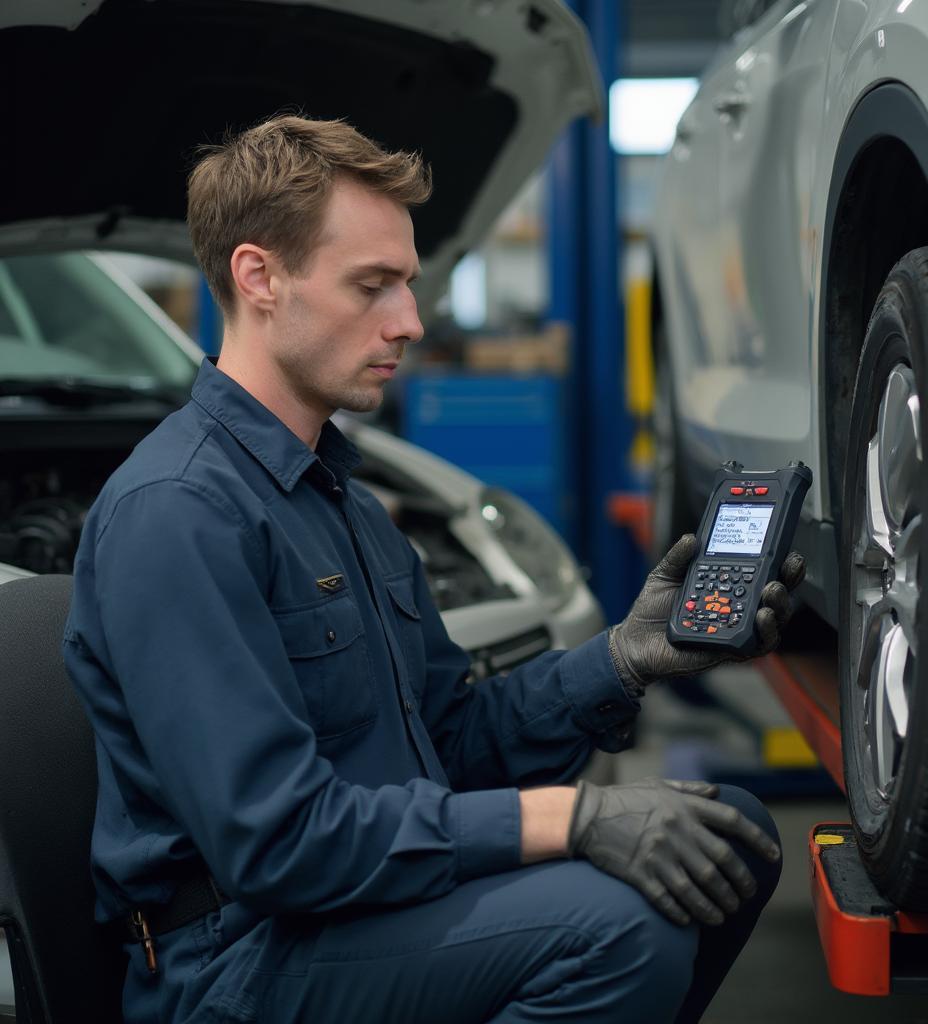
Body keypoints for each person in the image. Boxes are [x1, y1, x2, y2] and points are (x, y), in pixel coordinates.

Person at [64, 115, 804, 1024]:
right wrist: (567, 821)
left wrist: (623, 659)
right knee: (615, 928)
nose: (410, 322)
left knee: (731, 837)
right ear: (260, 277)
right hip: (237, 960)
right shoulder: (178, 514)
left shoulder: (345, 503)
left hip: (355, 912)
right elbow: (277, 843)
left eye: (408, 285)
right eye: (372, 286)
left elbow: (448, 743)